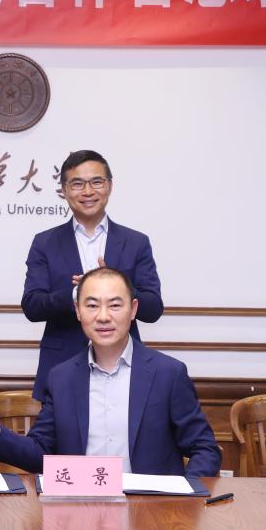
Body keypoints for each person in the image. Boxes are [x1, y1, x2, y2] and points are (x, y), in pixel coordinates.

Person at [0, 267, 219, 478]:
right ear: (78, 311)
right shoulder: (61, 378)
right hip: (80, 504)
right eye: (92, 306)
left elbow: (205, 448)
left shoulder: (168, 373)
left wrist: (184, 497)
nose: (103, 316)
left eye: (115, 305)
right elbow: (41, 451)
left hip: (152, 507)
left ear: (133, 309)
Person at [21, 150, 163, 401]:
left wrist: (116, 286)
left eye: (96, 182)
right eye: (77, 184)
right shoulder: (45, 242)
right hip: (61, 365)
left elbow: (153, 308)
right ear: (64, 190)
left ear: (110, 186)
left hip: (125, 366)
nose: (88, 191)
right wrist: (78, 293)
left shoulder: (135, 242)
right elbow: (32, 306)